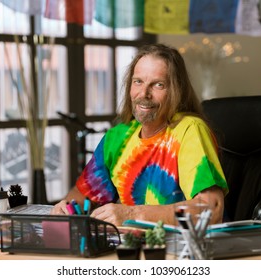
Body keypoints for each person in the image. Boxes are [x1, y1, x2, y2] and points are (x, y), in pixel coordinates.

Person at [51, 43, 228, 226]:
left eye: (158, 85)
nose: (144, 93)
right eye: (138, 82)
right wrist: (66, 207)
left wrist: (132, 213)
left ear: (177, 90)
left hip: (182, 248)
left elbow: (211, 208)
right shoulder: (118, 136)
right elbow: (83, 194)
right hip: (130, 246)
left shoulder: (190, 130)